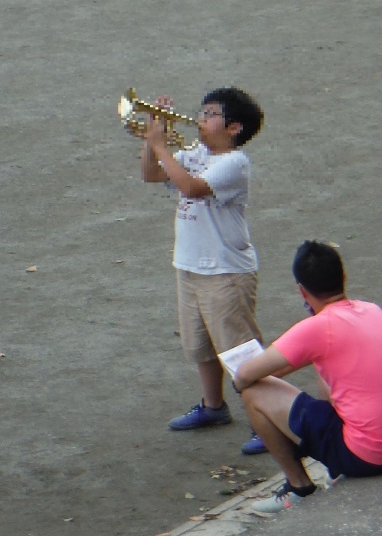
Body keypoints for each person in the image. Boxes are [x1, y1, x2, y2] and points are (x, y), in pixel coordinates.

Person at [233, 240, 382, 512]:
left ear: (302, 290)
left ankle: (298, 486)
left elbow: (245, 374)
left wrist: (241, 383)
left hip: (369, 456)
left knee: (253, 393)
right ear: (342, 277)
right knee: (327, 366)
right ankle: (333, 469)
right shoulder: (372, 309)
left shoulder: (318, 327)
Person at [138, 87, 267, 455]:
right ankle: (214, 407)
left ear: (234, 128)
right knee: (201, 346)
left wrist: (161, 145)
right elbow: (151, 174)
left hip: (225, 272)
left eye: (211, 114)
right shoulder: (194, 154)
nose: (200, 119)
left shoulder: (235, 162)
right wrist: (152, 139)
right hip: (190, 265)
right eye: (202, 111)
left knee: (240, 352)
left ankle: (267, 419)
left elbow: (192, 188)